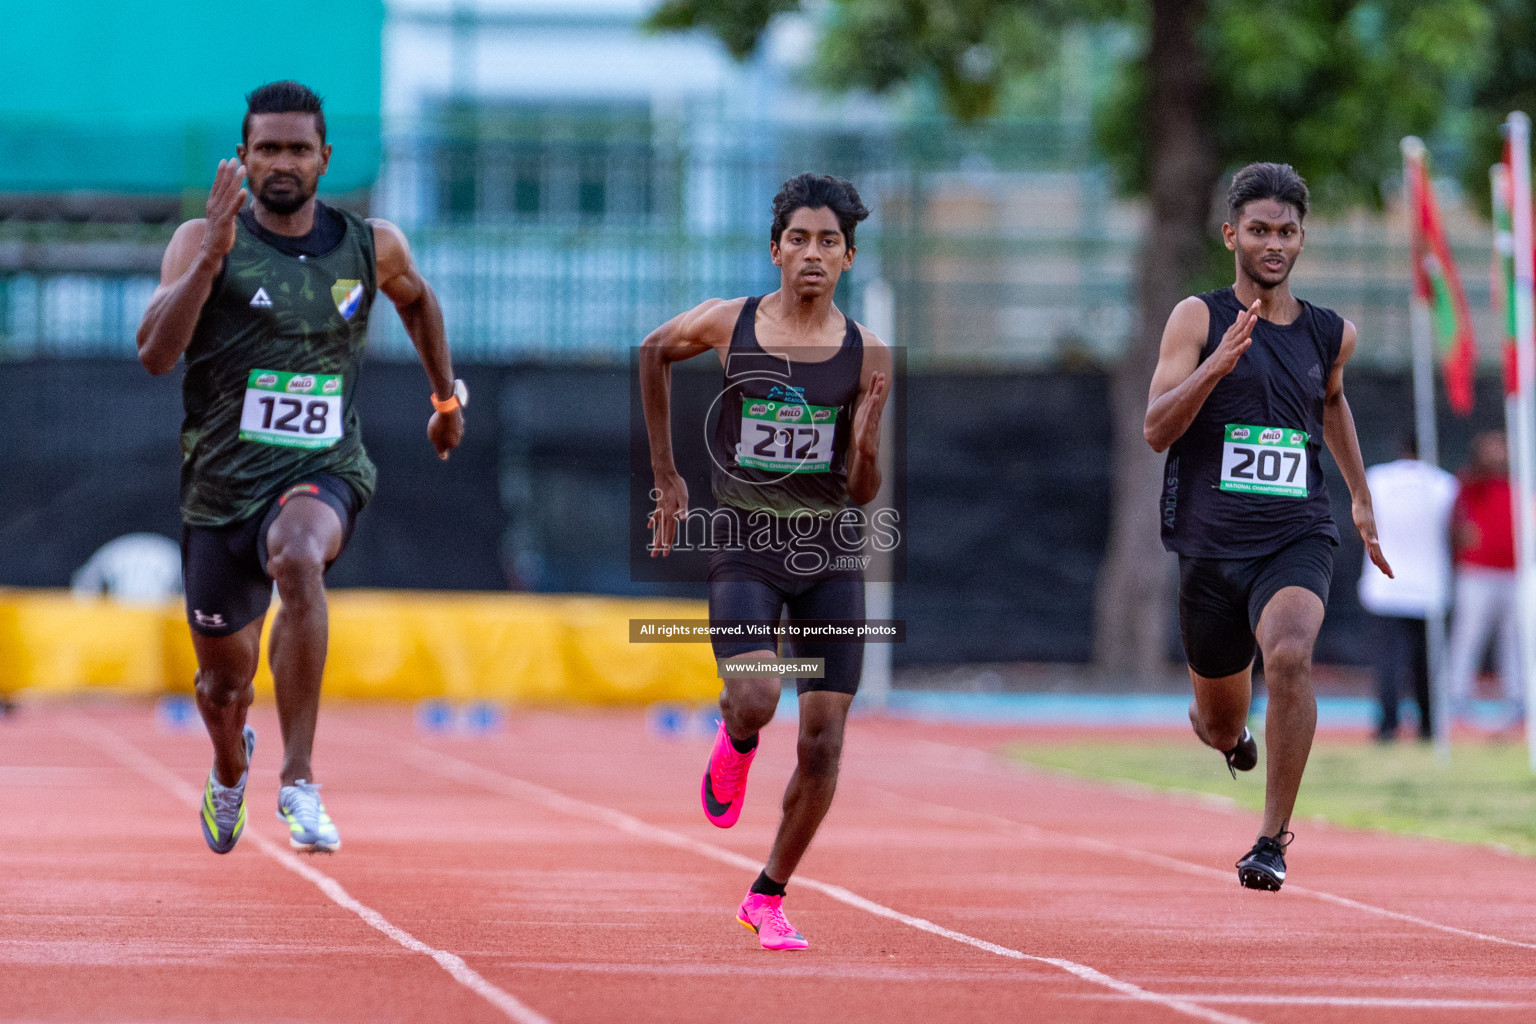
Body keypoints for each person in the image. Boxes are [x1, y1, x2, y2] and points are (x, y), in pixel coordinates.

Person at [136, 82, 465, 855]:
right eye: (266, 149)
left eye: (296, 149)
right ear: (244, 159)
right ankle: (229, 766)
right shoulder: (200, 238)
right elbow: (154, 354)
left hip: (324, 466)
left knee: (299, 556)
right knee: (223, 687)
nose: (282, 163)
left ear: (324, 158)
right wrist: (211, 257)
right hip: (221, 490)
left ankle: (300, 779)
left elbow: (418, 301)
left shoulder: (370, 244)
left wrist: (445, 401)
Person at [640, 173, 891, 949]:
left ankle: (769, 893)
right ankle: (737, 741)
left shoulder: (866, 351)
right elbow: (652, 352)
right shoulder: (730, 323)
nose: (812, 254)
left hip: (829, 554)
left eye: (828, 242)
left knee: (824, 741)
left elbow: (861, 489)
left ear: (847, 257)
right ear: (775, 248)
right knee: (754, 697)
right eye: (799, 239)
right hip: (748, 543)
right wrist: (668, 476)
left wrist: (866, 442)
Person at [1144, 162, 1392, 891]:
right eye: (1259, 230)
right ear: (1232, 236)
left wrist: (1360, 496)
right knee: (1219, 722)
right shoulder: (1197, 318)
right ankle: (1229, 732)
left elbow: (1333, 403)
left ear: (1301, 239)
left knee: (1287, 657)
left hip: (1296, 534)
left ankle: (1270, 841)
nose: (1273, 243)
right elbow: (1157, 429)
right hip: (1210, 546)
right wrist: (1215, 366)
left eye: (1286, 231)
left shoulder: (1328, 334)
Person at [1357, 435, 1457, 742]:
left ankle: (1387, 728)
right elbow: (1457, 533)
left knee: (1387, 664)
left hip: (1384, 586)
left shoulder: (1377, 478)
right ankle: (1428, 728)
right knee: (1427, 666)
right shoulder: (1445, 484)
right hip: (1430, 587)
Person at [1445, 430, 1523, 727]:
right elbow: (1457, 522)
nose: (1499, 453)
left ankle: (1518, 697)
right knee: (1469, 636)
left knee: (1515, 640)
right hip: (1477, 572)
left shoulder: (1521, 479)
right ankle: (1458, 695)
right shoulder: (1472, 482)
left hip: (1515, 573)